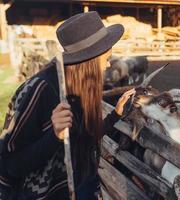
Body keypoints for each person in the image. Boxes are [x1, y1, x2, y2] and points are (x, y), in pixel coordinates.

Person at [0, 11, 135, 199]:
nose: (108, 65)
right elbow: (9, 165)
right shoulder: (40, 91)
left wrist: (115, 115)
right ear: (89, 61)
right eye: (106, 59)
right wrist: (54, 136)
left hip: (81, 184)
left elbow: (84, 139)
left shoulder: (81, 87)